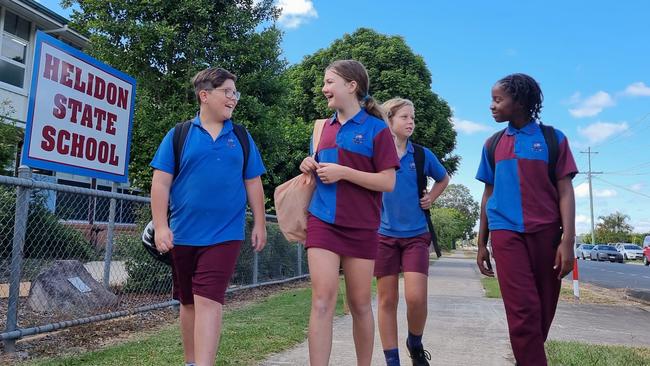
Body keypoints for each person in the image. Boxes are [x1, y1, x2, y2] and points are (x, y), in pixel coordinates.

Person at [150, 67, 267, 366]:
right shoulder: (179, 135)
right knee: (188, 303)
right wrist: (161, 226)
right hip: (184, 234)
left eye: (235, 93)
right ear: (205, 95)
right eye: (227, 92)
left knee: (209, 300)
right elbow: (160, 182)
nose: (233, 98)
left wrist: (260, 222)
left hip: (224, 235)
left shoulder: (240, 136)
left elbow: (253, 181)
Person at [299, 59, 400, 366]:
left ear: (351, 86)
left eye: (330, 82)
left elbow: (388, 182)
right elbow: (316, 170)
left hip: (361, 227)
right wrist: (308, 165)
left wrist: (345, 172)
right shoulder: (322, 129)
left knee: (358, 305)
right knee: (321, 301)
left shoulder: (377, 131)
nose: (324, 88)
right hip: (323, 221)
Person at [475, 73, 577, 366]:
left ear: (519, 102)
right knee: (523, 312)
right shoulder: (493, 144)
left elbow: (566, 192)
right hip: (506, 234)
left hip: (547, 233)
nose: (492, 106)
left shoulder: (553, 139)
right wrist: (482, 243)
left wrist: (567, 241)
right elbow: (487, 194)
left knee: (543, 309)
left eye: (498, 100)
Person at [375, 98, 449, 366]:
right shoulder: (376, 154)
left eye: (413, 118)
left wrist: (432, 196)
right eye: (405, 117)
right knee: (387, 300)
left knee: (416, 297)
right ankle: (391, 360)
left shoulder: (421, 155)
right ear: (389, 120)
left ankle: (414, 343)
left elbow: (443, 177)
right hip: (382, 236)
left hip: (417, 234)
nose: (411, 122)